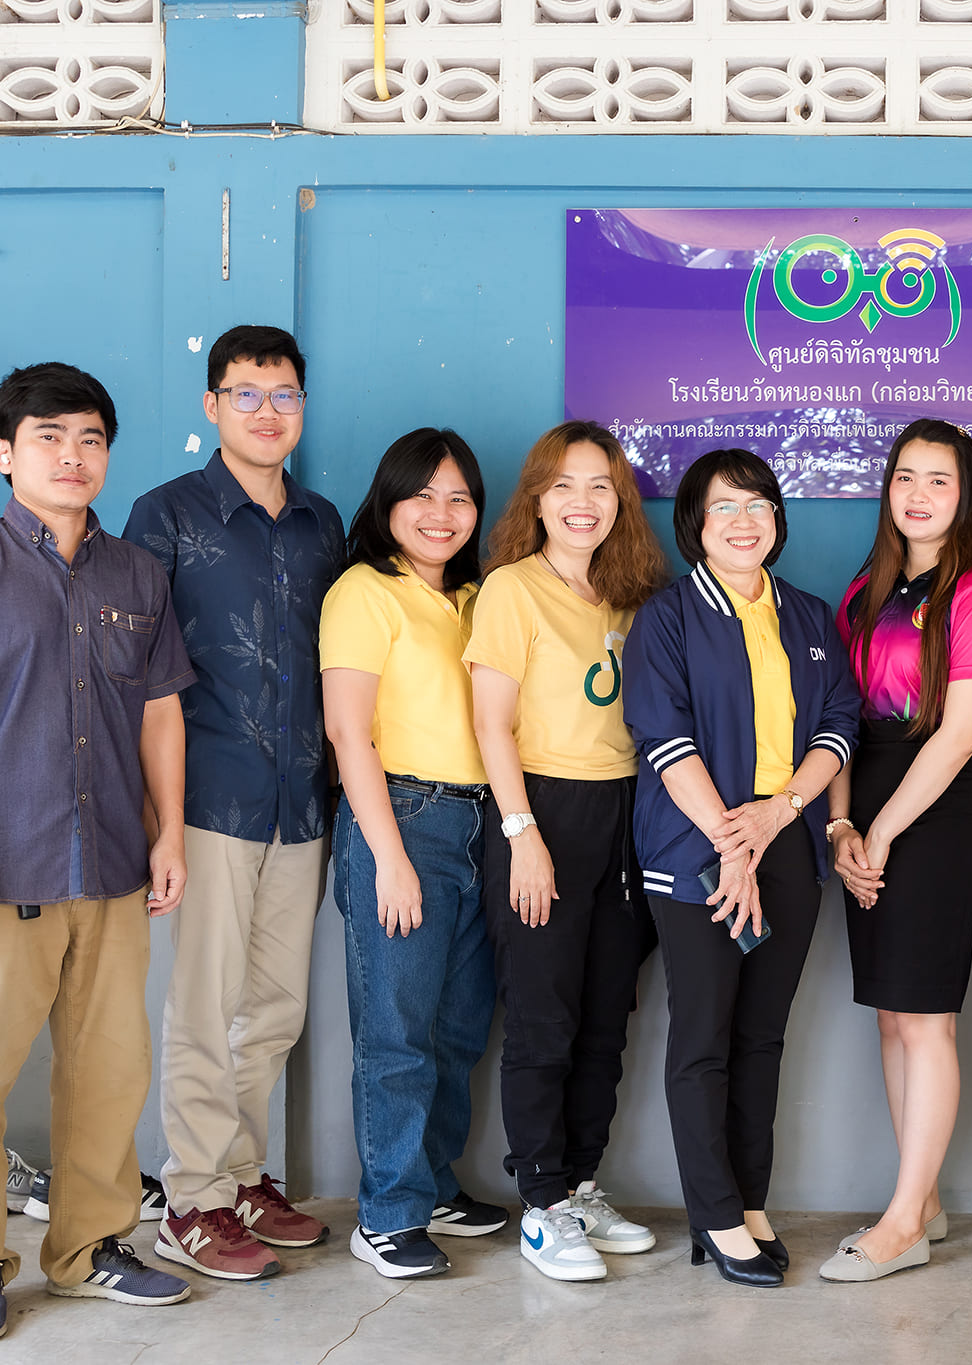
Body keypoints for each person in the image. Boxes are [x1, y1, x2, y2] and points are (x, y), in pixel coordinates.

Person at [0, 363, 196, 1344]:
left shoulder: (137, 575)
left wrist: (168, 830)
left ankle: (90, 1247)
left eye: (90, 439)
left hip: (111, 868)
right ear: (4, 452)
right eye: (50, 437)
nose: (72, 456)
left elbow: (159, 715)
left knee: (108, 1077)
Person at [123, 325, 345, 1281]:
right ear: (212, 405)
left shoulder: (323, 521)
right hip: (208, 798)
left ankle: (242, 1176)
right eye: (246, 393)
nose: (267, 411)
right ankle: (192, 1197)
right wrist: (157, 821)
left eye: (284, 394)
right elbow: (135, 673)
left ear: (303, 407)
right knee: (206, 1010)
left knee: (275, 1008)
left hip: (302, 800)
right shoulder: (166, 514)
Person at [623, 450, 862, 1288]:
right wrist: (734, 843)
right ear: (695, 521)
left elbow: (839, 725)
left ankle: (750, 1202)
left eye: (758, 504)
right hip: (697, 849)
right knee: (704, 1035)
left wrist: (779, 814)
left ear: (777, 518)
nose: (743, 520)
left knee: (762, 1033)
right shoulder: (666, 617)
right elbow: (664, 738)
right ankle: (715, 1215)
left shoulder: (809, 615)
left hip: (787, 839)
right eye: (724, 506)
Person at [464, 419, 667, 1283]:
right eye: (563, 486)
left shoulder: (630, 594)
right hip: (543, 810)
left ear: (620, 500)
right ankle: (542, 1205)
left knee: (605, 1018)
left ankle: (580, 1183)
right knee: (543, 1018)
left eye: (599, 486)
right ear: (537, 500)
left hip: (627, 815)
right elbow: (490, 723)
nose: (582, 503)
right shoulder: (512, 588)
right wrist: (523, 836)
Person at [818, 419, 972, 1284]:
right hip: (867, 799)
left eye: (940, 479)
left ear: (966, 495)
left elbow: (962, 732)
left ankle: (902, 1220)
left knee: (928, 1016)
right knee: (892, 1014)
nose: (920, 493)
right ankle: (923, 1200)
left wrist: (884, 829)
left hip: (936, 809)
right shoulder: (864, 591)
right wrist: (842, 826)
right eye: (906, 476)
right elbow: (839, 720)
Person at [321, 428, 510, 1279]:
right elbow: (348, 732)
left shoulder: (475, 598)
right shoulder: (365, 591)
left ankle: (431, 1185)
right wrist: (388, 857)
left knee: (460, 1027)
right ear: (388, 503)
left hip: (480, 824)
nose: (442, 513)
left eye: (459, 497)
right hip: (402, 819)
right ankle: (388, 1214)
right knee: (396, 1031)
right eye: (423, 495)